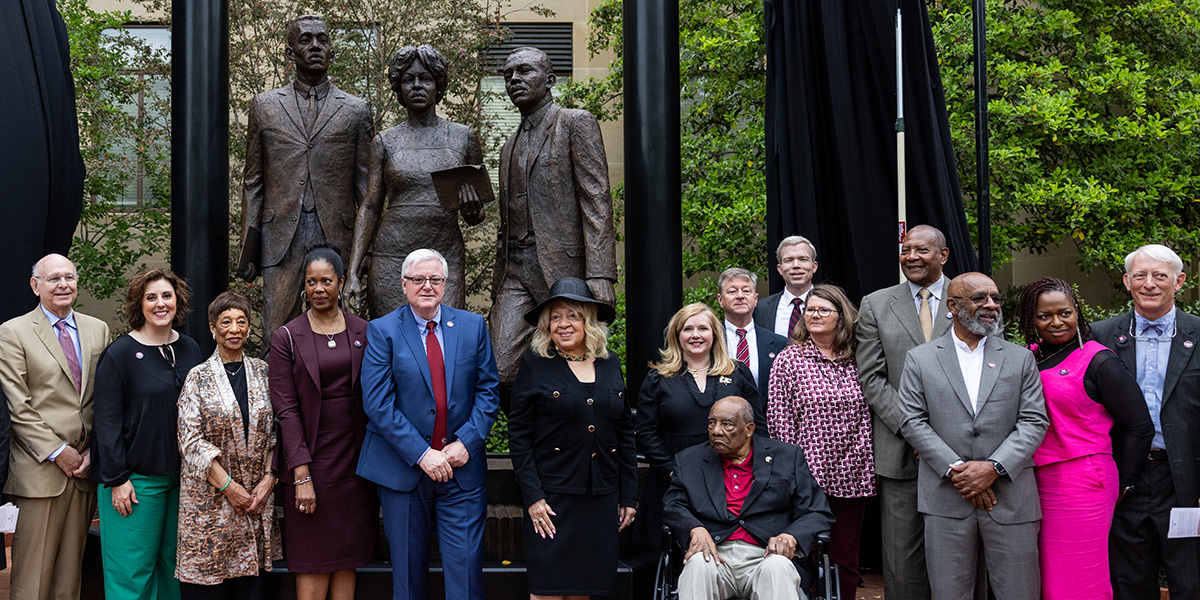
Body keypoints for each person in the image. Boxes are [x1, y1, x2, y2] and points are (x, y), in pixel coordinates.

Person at [356, 248, 500, 600]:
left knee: (466, 579)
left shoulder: (472, 327)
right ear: (404, 285)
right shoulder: (382, 330)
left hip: (460, 471)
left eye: (435, 279)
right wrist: (422, 454)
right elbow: (377, 403)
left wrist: (467, 441)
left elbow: (488, 390)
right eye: (418, 279)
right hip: (404, 473)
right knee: (407, 581)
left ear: (445, 284)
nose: (427, 286)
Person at [897, 272, 1048, 600]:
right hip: (945, 499)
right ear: (952, 305)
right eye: (980, 298)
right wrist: (958, 471)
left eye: (995, 298)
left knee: (1020, 593)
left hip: (1010, 496)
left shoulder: (1020, 358)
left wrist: (993, 468)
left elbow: (1035, 421)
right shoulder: (920, 359)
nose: (991, 305)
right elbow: (911, 421)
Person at [236, 14, 373, 342]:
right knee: (276, 333)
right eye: (305, 40)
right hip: (280, 238)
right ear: (289, 52)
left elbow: (367, 187)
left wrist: (366, 251)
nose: (314, 46)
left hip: (337, 238)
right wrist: (249, 248)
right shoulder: (264, 106)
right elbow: (253, 181)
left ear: (332, 51)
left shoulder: (356, 109)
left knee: (343, 337)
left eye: (322, 40)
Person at [490, 46, 617, 394]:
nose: (514, 79)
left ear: (549, 81)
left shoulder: (575, 123)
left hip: (564, 269)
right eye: (507, 75)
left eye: (524, 72)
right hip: (515, 270)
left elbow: (596, 199)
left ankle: (573, 442)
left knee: (576, 361)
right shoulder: (508, 147)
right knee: (501, 369)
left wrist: (601, 273)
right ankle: (531, 441)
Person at [1015, 277, 1153, 599]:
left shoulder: (1098, 360)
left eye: (1064, 312)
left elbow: (1139, 426)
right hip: (1032, 481)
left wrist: (1124, 481)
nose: (1056, 322)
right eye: (1044, 316)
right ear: (1030, 319)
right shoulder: (1027, 357)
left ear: (1077, 311)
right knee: (1045, 579)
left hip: (1081, 481)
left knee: (1077, 581)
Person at [508, 277, 637, 598]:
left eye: (572, 316)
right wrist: (534, 497)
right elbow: (519, 438)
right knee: (547, 589)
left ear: (588, 322)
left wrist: (629, 497)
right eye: (555, 317)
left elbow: (625, 433)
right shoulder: (535, 365)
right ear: (546, 324)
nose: (563, 324)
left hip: (601, 497)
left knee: (584, 589)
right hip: (552, 500)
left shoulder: (611, 364)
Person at [1091, 244, 1200, 599]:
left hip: (1184, 480)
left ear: (1179, 281)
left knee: (1190, 579)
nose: (1149, 284)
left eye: (1160, 276)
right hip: (1126, 477)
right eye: (1140, 275)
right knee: (1129, 581)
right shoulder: (1100, 336)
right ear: (1126, 281)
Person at [269, 245, 376, 600]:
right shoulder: (287, 337)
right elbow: (286, 411)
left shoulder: (366, 332)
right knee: (312, 563)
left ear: (341, 282)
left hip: (355, 468)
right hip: (310, 464)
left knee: (347, 560)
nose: (318, 288)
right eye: (311, 281)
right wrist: (302, 476)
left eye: (326, 281)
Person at [0, 253, 109, 600]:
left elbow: (106, 399)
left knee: (69, 579)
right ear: (36, 286)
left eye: (69, 277)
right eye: (53, 278)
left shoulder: (98, 329)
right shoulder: (13, 332)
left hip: (84, 470)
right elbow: (17, 405)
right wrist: (58, 452)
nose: (63, 284)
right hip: (39, 471)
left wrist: (95, 450)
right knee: (33, 581)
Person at [346, 44, 485, 315]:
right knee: (392, 341)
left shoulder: (463, 137)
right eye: (408, 80)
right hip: (392, 257)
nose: (417, 86)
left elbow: (476, 215)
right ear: (399, 89)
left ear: (438, 86)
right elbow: (371, 206)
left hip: (445, 254)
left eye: (426, 79)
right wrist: (352, 271)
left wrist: (472, 209)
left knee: (445, 339)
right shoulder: (384, 141)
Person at [854, 224, 953, 600]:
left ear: (943, 255)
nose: (911, 256)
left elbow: (990, 374)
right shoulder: (876, 304)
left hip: (960, 454)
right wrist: (916, 432)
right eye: (906, 249)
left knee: (958, 556)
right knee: (902, 560)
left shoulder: (972, 296)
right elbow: (872, 378)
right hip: (900, 454)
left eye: (922, 250)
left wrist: (943, 439)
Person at [92, 269, 203, 600]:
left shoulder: (190, 349)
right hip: (135, 482)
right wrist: (117, 479)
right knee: (131, 573)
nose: (160, 304)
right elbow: (106, 421)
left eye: (166, 296)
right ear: (139, 304)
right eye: (151, 297)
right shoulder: (120, 354)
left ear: (177, 301)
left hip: (180, 481)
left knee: (172, 568)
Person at [664, 396, 834, 600]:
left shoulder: (787, 457)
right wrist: (694, 528)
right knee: (697, 564)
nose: (716, 431)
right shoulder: (689, 460)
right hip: (715, 552)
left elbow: (817, 511)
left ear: (749, 429)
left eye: (727, 424)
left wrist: (791, 536)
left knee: (778, 566)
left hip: (766, 554)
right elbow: (673, 505)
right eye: (712, 423)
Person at [767, 284, 874, 595]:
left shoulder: (859, 357)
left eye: (823, 310)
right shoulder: (790, 359)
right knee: (806, 557)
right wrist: (790, 473)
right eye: (809, 309)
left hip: (852, 474)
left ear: (841, 317)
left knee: (845, 557)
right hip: (806, 477)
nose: (814, 314)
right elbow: (779, 420)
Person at [635, 302, 763, 549]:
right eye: (687, 329)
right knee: (670, 551)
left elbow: (756, 425)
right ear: (677, 335)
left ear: (714, 333)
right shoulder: (658, 377)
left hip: (731, 477)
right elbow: (646, 430)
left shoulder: (738, 373)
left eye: (703, 328)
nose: (695, 335)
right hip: (672, 478)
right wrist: (671, 470)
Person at [176, 292, 279, 598]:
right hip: (211, 503)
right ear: (212, 328)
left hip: (256, 502)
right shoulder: (198, 377)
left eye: (241, 322)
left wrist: (269, 481)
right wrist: (229, 487)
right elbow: (190, 441)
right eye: (226, 322)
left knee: (251, 588)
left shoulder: (264, 372)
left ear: (248, 328)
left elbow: (278, 430)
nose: (234, 329)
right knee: (209, 589)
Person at [716, 267, 789, 399]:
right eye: (732, 291)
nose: (740, 296)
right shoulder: (710, 340)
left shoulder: (780, 344)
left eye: (746, 291)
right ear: (720, 300)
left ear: (755, 299)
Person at [754, 236, 818, 338]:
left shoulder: (832, 305)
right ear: (780, 269)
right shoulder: (761, 309)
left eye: (803, 259)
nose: (796, 265)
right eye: (789, 260)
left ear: (814, 266)